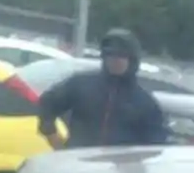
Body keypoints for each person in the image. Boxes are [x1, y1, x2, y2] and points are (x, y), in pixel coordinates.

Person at [36, 28, 168, 149]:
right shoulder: (81, 84)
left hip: (118, 171)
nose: (114, 61)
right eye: (109, 55)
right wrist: (53, 137)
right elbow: (47, 103)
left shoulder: (144, 102)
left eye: (120, 56)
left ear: (132, 60)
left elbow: (155, 145)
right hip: (77, 164)